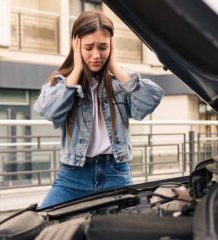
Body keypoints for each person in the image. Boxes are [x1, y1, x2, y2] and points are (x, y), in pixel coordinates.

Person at [34, 11, 164, 208]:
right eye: (88, 47)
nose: (96, 55)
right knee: (43, 223)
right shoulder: (63, 81)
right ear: (76, 45)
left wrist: (115, 67)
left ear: (111, 45)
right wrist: (77, 70)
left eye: (103, 47)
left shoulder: (121, 80)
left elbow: (147, 103)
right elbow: (49, 112)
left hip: (116, 173)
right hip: (73, 176)